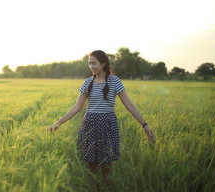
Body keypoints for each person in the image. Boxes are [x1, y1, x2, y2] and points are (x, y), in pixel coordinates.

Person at [47, 50, 155, 185]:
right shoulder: (87, 83)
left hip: (108, 124)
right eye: (89, 63)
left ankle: (106, 186)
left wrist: (144, 125)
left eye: (94, 63)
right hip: (90, 124)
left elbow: (129, 105)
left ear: (103, 64)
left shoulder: (115, 81)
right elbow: (77, 108)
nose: (91, 66)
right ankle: (91, 186)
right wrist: (57, 123)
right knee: (90, 162)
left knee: (107, 162)